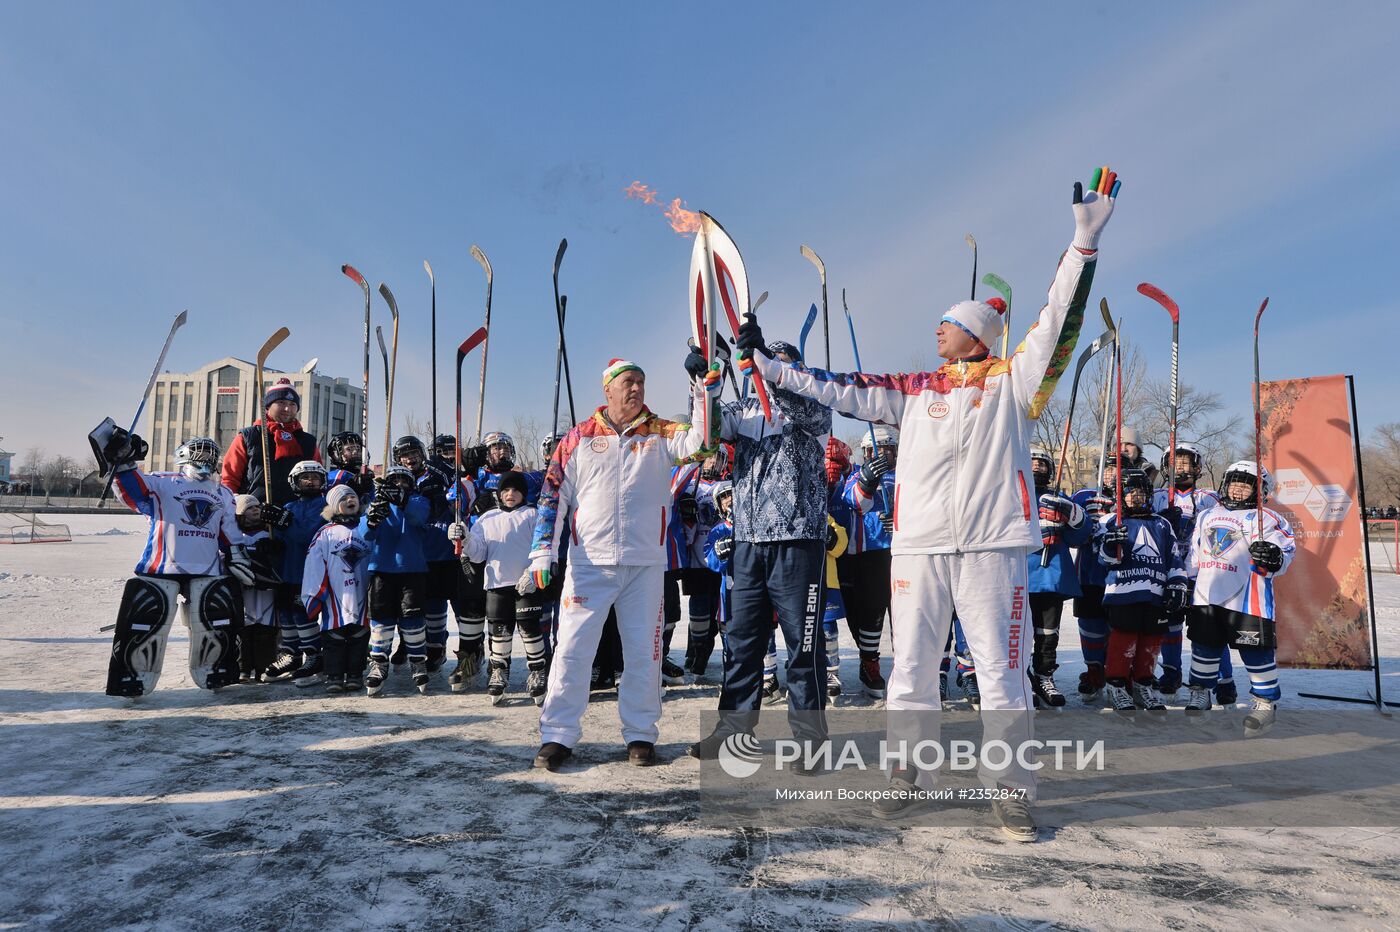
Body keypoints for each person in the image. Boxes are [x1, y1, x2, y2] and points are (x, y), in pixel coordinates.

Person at [734, 167, 1119, 841]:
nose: (936, 333)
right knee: (911, 667)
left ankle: (1011, 789)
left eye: (947, 325)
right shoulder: (913, 389)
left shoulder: (1013, 385)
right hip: (919, 547)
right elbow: (836, 386)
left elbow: (1058, 324)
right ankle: (907, 771)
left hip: (995, 548)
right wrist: (765, 364)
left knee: (1000, 672)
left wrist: (1082, 243)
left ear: (975, 335)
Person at [528, 358, 710, 771]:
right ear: (607, 389)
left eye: (642, 382)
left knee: (644, 653)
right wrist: (543, 551)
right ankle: (557, 735)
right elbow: (552, 497)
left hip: (645, 565)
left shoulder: (660, 433)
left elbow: (702, 442)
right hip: (589, 564)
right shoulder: (578, 438)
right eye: (628, 382)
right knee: (573, 651)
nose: (637, 389)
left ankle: (641, 733)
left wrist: (700, 387)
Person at [686, 339, 833, 763]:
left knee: (803, 646)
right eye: (762, 362)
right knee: (742, 643)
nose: (767, 369)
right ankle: (733, 731)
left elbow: (806, 405)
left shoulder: (812, 407)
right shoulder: (744, 410)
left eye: (778, 363)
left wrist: (772, 370)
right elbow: (707, 433)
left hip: (797, 541)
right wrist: (702, 383)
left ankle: (810, 742)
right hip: (749, 542)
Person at [89, 421, 257, 697]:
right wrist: (124, 461)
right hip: (162, 565)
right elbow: (134, 494)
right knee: (147, 620)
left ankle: (214, 670)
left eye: (210, 456)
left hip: (207, 568)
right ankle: (134, 675)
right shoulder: (162, 482)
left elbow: (228, 532)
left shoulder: (223, 492)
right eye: (200, 454)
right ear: (184, 455)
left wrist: (236, 556)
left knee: (213, 621)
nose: (206, 460)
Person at [1185, 461, 1295, 734]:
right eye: (1233, 483)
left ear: (1259, 490)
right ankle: (1200, 693)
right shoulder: (1206, 515)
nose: (1237, 490)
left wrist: (1274, 556)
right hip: (1207, 595)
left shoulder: (1268, 518)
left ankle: (1265, 702)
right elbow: (1194, 554)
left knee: (1256, 652)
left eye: (1245, 485)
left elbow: (1286, 550)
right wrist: (1186, 581)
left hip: (1249, 598)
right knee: (1204, 648)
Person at [1094, 467, 1185, 714]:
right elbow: (1103, 559)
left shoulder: (1162, 523)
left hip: (1155, 593)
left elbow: (1174, 557)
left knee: (1152, 641)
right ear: (1119, 496)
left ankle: (1142, 684)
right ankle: (1117, 685)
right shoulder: (1110, 521)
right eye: (1130, 492)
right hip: (1123, 592)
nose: (1136, 497)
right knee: (1124, 639)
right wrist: (1111, 545)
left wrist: (1177, 583)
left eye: (1141, 492)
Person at [458, 471, 549, 705]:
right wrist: (465, 540)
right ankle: (499, 670)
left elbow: (542, 546)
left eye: (516, 490)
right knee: (499, 631)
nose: (511, 494)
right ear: (499, 493)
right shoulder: (488, 518)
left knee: (529, 629)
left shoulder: (532, 515)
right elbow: (478, 554)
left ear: (524, 493)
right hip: (497, 584)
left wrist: (533, 572)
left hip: (525, 584)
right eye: (506, 490)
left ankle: (537, 670)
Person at [1151, 442, 1225, 697]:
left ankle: (1224, 680)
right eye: (1175, 462)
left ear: (1197, 466)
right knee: (1169, 624)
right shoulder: (1156, 496)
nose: (1180, 467)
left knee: (1208, 628)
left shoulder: (1210, 497)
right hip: (1167, 570)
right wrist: (1162, 519)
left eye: (1185, 462)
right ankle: (1171, 673)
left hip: (1200, 572)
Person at [1026, 447, 1089, 708]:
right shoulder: (1009, 494)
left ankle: (1043, 676)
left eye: (1042, 464)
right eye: (1032, 463)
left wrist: (1072, 515)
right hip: (1019, 575)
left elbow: (1080, 537)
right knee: (1016, 633)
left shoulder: (1059, 498)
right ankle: (1017, 680)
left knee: (1048, 633)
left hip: (1051, 575)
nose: (1037, 468)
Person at [362, 466, 431, 696]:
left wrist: (402, 500)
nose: (399, 484)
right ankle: (379, 663)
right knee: (381, 619)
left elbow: (419, 517)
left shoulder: (419, 501)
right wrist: (371, 520)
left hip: (412, 569)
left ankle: (418, 661)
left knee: (413, 618)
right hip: (382, 568)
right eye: (394, 480)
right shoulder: (378, 503)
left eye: (404, 480)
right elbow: (365, 535)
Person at [841, 426, 899, 698]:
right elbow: (855, 502)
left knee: (905, 617)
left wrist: (902, 520)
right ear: (866, 453)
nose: (882, 454)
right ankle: (870, 664)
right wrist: (868, 480)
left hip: (902, 553)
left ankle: (907, 669)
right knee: (872, 615)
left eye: (888, 449)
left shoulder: (906, 476)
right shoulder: (855, 476)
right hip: (871, 555)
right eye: (877, 449)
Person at [393, 435, 458, 675]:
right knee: (408, 604)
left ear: (423, 455)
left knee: (435, 600)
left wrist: (442, 493)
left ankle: (436, 646)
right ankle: (407, 642)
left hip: (438, 545)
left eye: (415, 454)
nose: (410, 459)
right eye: (405, 455)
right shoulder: (397, 479)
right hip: (410, 548)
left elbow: (455, 493)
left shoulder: (436, 474)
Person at [262, 460, 329, 687]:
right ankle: (291, 654)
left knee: (303, 614)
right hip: (286, 571)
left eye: (315, 478)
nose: (310, 481)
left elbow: (307, 535)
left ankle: (313, 655)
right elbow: (281, 537)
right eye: (305, 478)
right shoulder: (289, 507)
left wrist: (285, 524)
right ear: (295, 482)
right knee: (286, 614)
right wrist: (271, 542)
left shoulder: (326, 507)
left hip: (307, 572)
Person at [302, 484, 372, 693]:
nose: (350, 500)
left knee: (360, 635)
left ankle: (355, 674)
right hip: (335, 593)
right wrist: (315, 593)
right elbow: (314, 564)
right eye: (343, 498)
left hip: (362, 591)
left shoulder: (367, 528)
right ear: (333, 506)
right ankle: (333, 675)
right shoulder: (325, 534)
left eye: (353, 496)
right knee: (334, 636)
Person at [220, 377, 320, 507]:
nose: (287, 409)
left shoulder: (307, 441)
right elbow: (229, 477)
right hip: (254, 513)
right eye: (281, 403)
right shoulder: (249, 436)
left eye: (292, 404)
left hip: (295, 514)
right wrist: (232, 505)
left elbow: (318, 478)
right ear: (268, 406)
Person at [1071, 456, 1119, 703]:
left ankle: (1117, 675)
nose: (1112, 474)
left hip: (1121, 576)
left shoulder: (1133, 495)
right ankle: (1093, 672)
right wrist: (1082, 520)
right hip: (1089, 574)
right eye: (1108, 468)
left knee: (1119, 628)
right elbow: (1070, 531)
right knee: (1091, 627)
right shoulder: (1084, 495)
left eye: (1118, 469)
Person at [233, 494, 281, 682]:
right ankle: (243, 668)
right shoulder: (236, 536)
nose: (255, 510)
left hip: (265, 591)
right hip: (244, 591)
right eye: (249, 507)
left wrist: (273, 550)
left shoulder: (268, 533)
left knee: (266, 630)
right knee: (244, 630)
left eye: (257, 507)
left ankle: (264, 667)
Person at [326, 431, 376, 498]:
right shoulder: (335, 476)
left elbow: (371, 503)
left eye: (358, 449)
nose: (355, 452)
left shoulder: (365, 475)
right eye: (349, 449)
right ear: (337, 455)